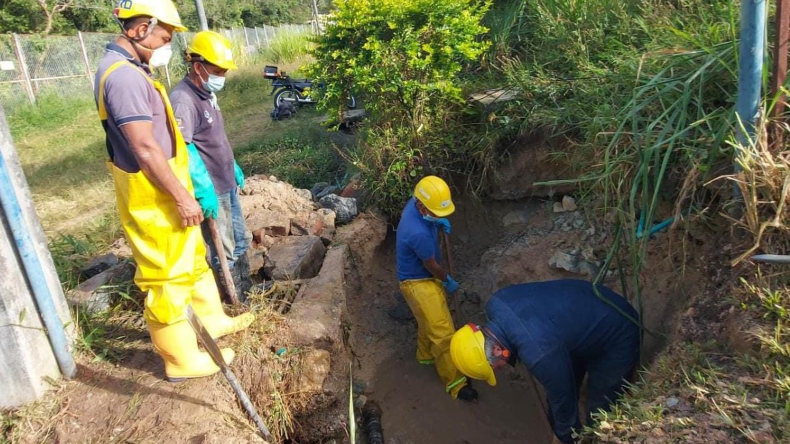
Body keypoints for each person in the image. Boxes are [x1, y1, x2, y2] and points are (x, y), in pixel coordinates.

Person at [94, 0, 253, 381]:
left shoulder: (135, 70)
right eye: (165, 37)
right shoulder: (123, 78)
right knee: (167, 277)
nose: (167, 45)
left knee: (193, 261)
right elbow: (144, 146)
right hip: (151, 193)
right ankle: (181, 360)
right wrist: (183, 195)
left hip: (166, 184)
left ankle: (212, 320)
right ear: (140, 28)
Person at [450, 279, 640, 443]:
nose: (498, 370)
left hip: (617, 331)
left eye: (494, 368)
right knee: (559, 393)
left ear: (497, 350)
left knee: (600, 411)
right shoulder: (497, 302)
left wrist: (565, 438)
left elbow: (562, 398)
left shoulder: (539, 354)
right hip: (581, 318)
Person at [170, 31, 252, 301]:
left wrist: (232, 165)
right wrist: (202, 186)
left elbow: (213, 137)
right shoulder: (183, 99)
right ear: (198, 67)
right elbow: (183, 147)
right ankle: (234, 301)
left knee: (240, 240)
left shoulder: (206, 94)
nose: (222, 77)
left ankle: (248, 292)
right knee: (224, 249)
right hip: (212, 188)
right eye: (218, 71)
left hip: (225, 180)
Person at [396, 176, 477, 401]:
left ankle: (425, 356)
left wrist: (436, 222)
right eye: (436, 213)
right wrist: (446, 279)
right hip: (418, 283)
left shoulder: (415, 203)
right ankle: (456, 382)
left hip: (418, 277)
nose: (439, 216)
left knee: (428, 321)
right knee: (442, 332)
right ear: (422, 206)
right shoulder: (418, 233)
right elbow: (431, 265)